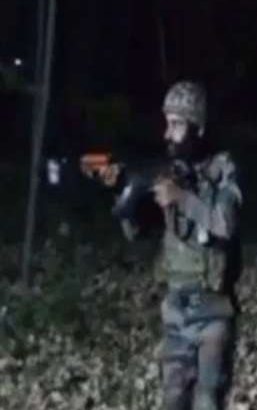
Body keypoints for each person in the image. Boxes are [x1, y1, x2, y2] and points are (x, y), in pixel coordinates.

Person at [90, 81, 242, 410]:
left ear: (198, 128)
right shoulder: (168, 172)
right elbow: (137, 233)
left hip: (213, 311)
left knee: (207, 401)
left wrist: (182, 199)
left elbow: (226, 224)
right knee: (172, 400)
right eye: (166, 123)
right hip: (175, 310)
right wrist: (124, 196)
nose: (167, 134)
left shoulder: (222, 169)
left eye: (177, 125)